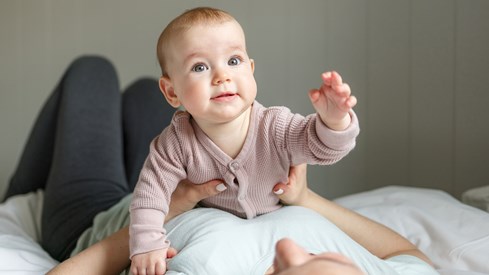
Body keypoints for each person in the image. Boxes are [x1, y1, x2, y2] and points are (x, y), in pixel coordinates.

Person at [130, 7, 360, 273]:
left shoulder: (275, 126)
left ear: (250, 69)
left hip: (265, 218)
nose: (222, 76)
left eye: (234, 61)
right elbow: (149, 196)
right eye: (200, 67)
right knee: (138, 112)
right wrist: (147, 245)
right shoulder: (176, 143)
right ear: (172, 91)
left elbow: (323, 149)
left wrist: (334, 121)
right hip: (190, 213)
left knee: (138, 102)